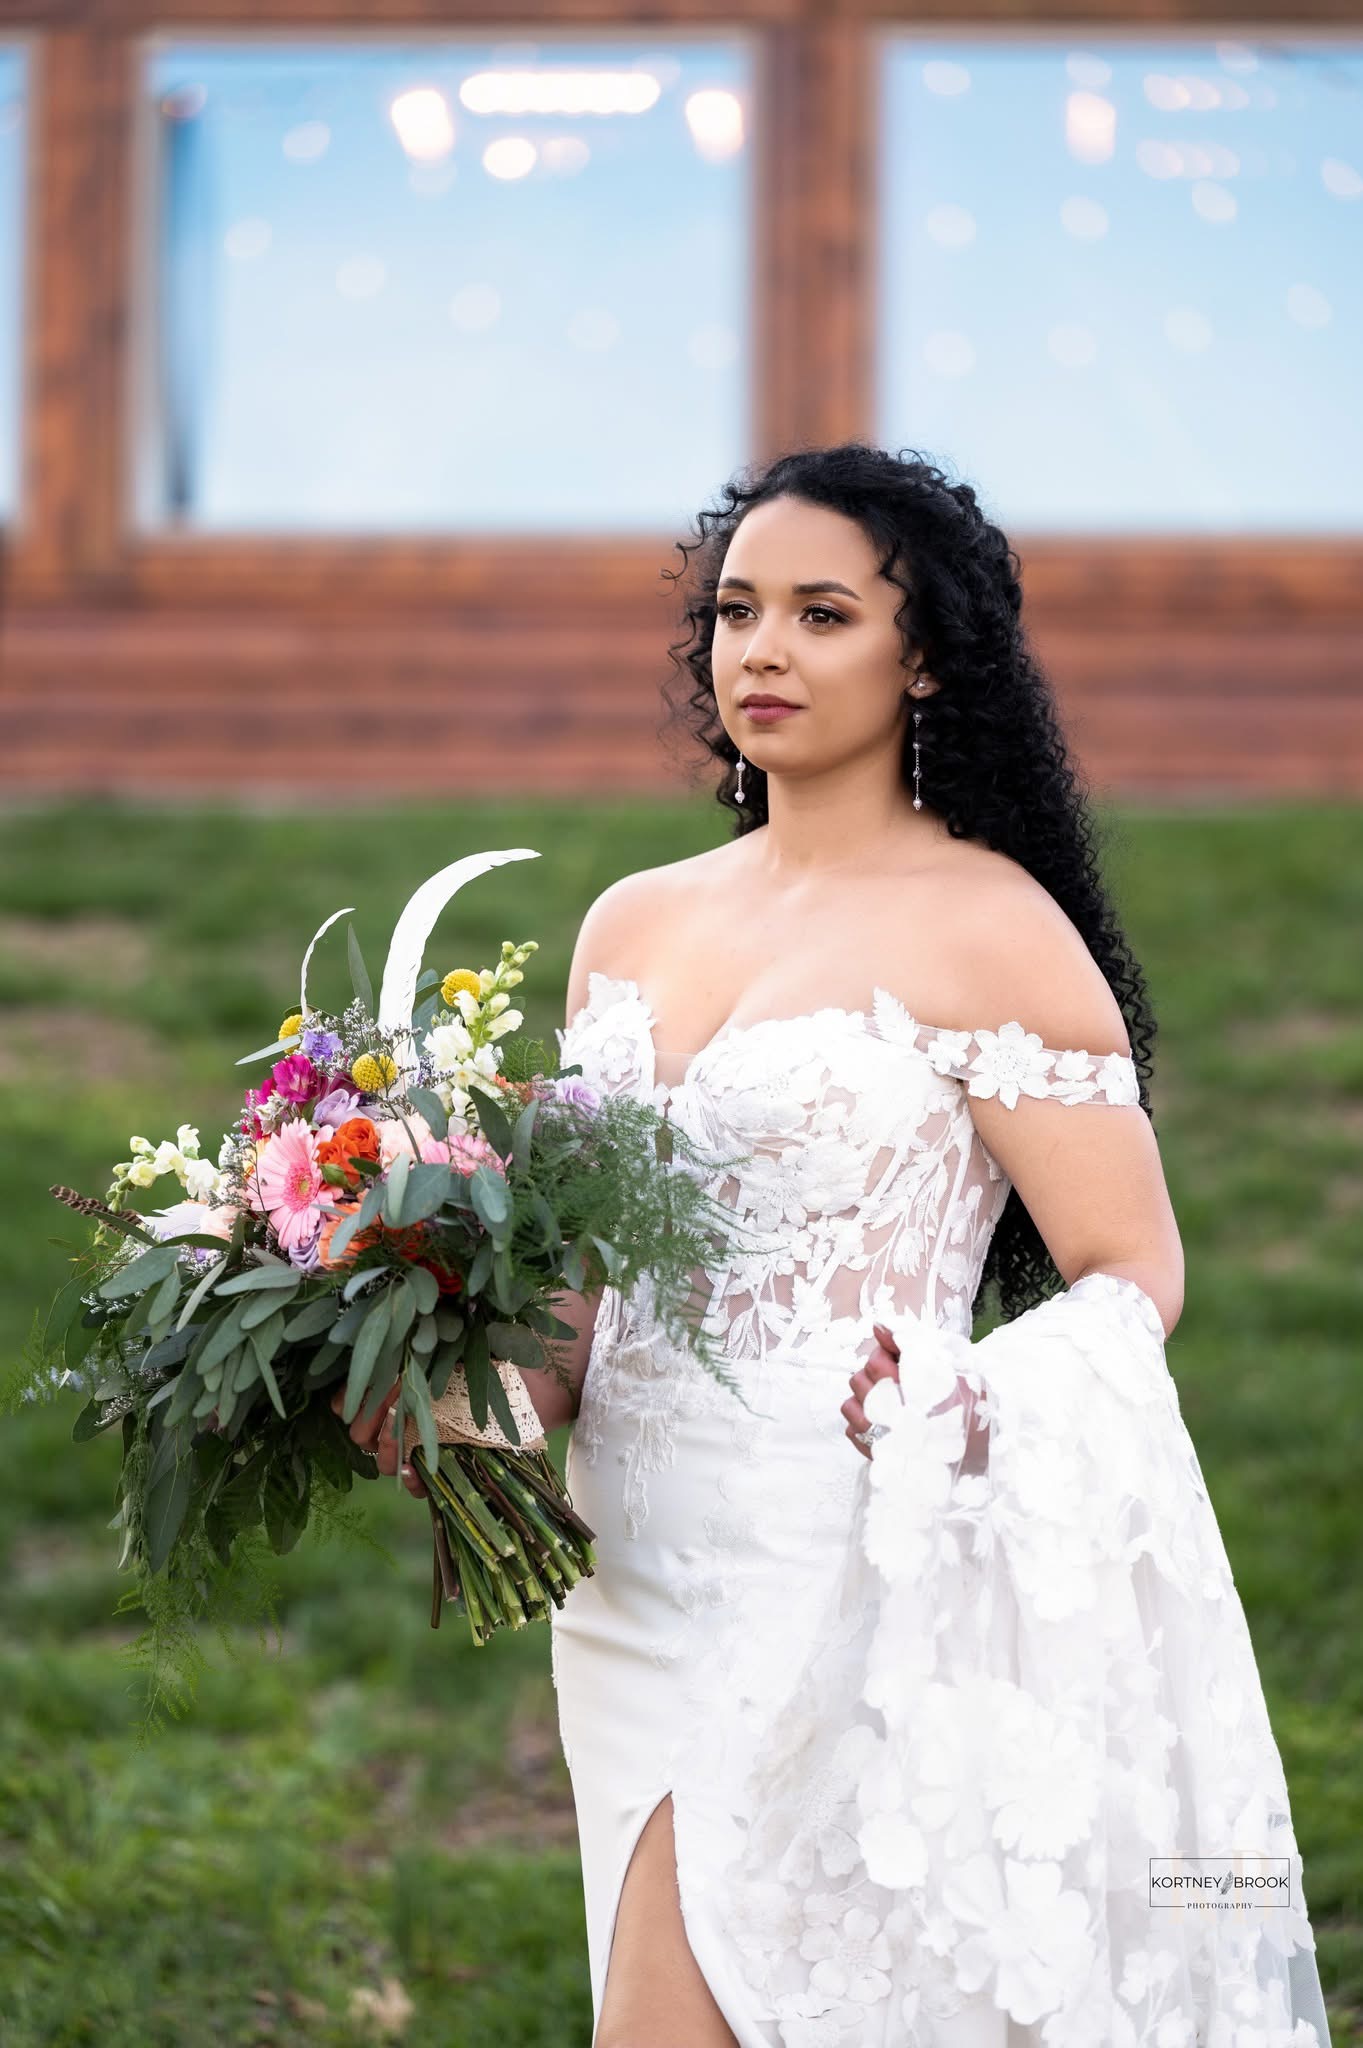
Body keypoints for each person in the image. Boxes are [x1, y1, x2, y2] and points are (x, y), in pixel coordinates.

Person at [343, 444, 1332, 2047]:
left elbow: (1132, 1265)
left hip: (847, 1557)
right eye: (737, 612)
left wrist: (973, 1399)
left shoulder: (993, 928)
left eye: (822, 614)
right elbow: (585, 1289)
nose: (764, 651)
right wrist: (472, 1408)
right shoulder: (633, 922)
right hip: (629, 1578)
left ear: (924, 655)